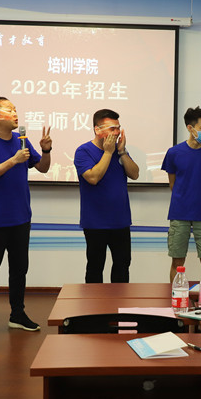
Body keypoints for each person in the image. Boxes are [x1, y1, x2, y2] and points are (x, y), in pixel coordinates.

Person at [0, 97, 51, 337]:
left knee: (19, 270)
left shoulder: (21, 140)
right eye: (10, 110)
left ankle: (17, 315)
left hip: (21, 217)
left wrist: (46, 150)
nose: (16, 114)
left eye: (16, 110)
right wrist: (13, 160)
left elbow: (43, 168)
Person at [74, 109, 140, 283]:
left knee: (122, 265)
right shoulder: (83, 151)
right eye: (112, 129)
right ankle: (94, 302)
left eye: (118, 128)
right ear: (97, 129)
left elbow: (135, 174)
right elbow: (93, 178)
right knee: (95, 266)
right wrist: (108, 153)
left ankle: (119, 301)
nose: (117, 132)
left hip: (120, 220)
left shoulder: (119, 150)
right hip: (95, 222)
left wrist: (122, 152)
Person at [162, 106, 201, 282]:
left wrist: (200, 200)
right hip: (179, 214)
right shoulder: (174, 153)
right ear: (190, 128)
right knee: (177, 261)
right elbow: (173, 184)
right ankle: (176, 295)